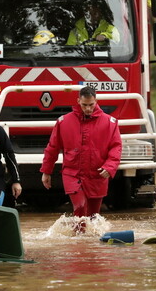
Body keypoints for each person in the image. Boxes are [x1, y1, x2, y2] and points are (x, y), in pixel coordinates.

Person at [40, 87, 122, 223]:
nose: (88, 108)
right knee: (80, 207)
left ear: (96, 101)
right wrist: (46, 171)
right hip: (72, 174)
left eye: (91, 105)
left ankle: (89, 243)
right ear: (78, 101)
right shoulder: (64, 122)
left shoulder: (109, 123)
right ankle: (78, 242)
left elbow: (116, 147)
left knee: (94, 216)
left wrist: (110, 167)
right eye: (84, 105)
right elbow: (52, 148)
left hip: (97, 174)